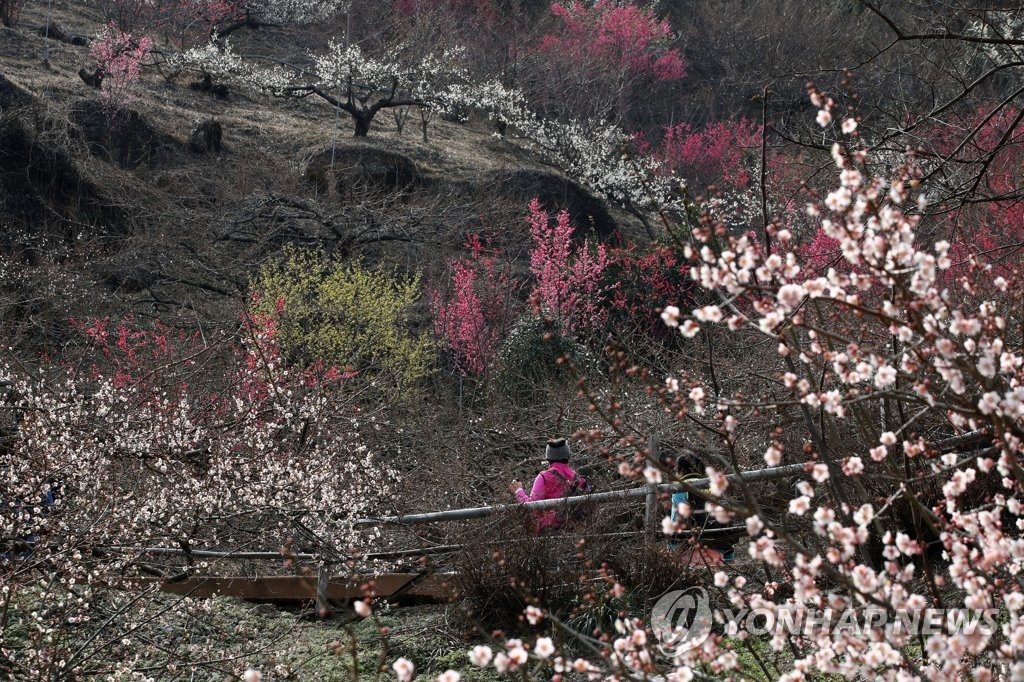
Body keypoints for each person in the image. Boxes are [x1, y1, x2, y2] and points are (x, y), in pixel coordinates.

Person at [509, 438, 590, 532]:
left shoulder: (543, 477)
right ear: (568, 456)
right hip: (576, 531)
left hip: (550, 532)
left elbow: (533, 506)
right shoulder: (579, 479)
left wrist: (518, 491)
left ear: (548, 458)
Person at [671, 453, 735, 564]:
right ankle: (730, 559)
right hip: (721, 547)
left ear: (680, 470)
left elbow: (676, 521)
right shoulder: (714, 486)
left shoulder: (680, 488)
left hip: (691, 550)